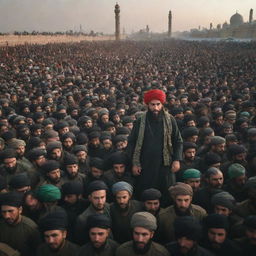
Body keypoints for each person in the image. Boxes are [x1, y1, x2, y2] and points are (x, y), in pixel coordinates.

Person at [128, 89, 183, 204]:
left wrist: (177, 160)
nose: (156, 108)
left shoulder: (170, 120)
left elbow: (178, 141)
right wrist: (135, 163)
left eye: (158, 104)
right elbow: (132, 142)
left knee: (166, 195)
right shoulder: (140, 121)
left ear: (162, 104)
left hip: (165, 165)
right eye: (152, 105)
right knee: (146, 194)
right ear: (147, 105)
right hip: (145, 165)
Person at [0, 192, 41, 256]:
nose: (6, 216)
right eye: (3, 212)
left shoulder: (31, 228)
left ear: (20, 210)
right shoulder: (1, 223)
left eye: (10, 211)